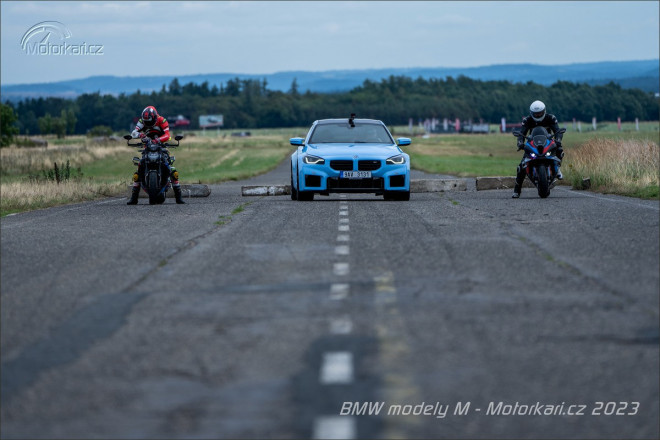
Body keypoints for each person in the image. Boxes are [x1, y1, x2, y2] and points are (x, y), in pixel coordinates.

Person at [127, 106, 185, 204]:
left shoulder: (162, 120)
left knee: (172, 170)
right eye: (146, 122)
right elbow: (134, 132)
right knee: (139, 168)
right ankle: (134, 197)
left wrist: (157, 140)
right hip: (147, 147)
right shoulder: (142, 121)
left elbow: (168, 135)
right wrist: (141, 135)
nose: (148, 124)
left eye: (149, 121)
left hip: (161, 146)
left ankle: (178, 197)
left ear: (154, 117)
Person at [512, 100, 564, 198]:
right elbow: (521, 133)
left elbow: (557, 131)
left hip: (548, 143)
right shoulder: (527, 120)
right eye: (535, 114)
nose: (537, 115)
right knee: (521, 166)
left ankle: (557, 169)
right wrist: (520, 143)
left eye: (539, 113)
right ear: (531, 113)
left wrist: (558, 140)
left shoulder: (551, 118)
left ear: (544, 111)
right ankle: (516, 190)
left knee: (559, 150)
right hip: (533, 144)